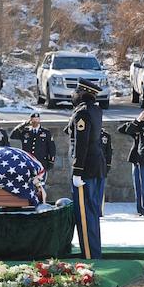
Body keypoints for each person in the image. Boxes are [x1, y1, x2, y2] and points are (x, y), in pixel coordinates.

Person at [64, 78, 106, 260]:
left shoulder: (82, 114)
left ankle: (90, 254)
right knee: (92, 211)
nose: (73, 95)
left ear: (82, 93)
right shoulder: (95, 110)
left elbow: (82, 144)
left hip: (85, 169)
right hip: (96, 167)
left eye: (76, 92)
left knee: (85, 213)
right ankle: (93, 251)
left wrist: (77, 170)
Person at [118, 122, 142, 214]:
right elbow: (121, 129)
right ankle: (140, 208)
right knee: (138, 185)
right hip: (136, 158)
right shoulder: (137, 127)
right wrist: (136, 121)